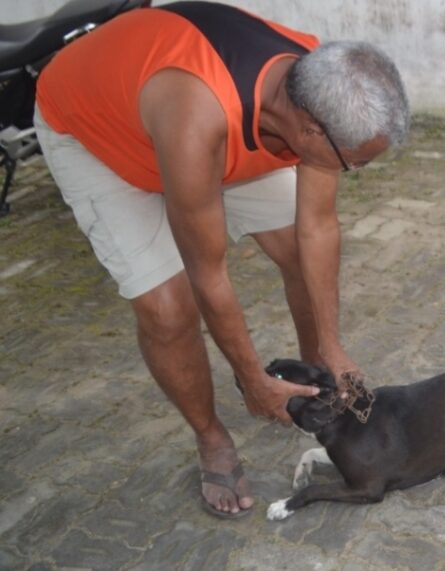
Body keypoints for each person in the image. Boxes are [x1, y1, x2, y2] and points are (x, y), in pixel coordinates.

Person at [34, 2, 409, 518]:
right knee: (168, 310)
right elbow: (208, 271)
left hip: (200, 121)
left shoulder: (317, 82)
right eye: (358, 163)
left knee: (299, 254)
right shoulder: (196, 115)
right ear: (312, 133)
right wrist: (252, 378)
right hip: (100, 135)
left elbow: (317, 228)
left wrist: (331, 345)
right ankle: (211, 437)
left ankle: (313, 380)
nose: (357, 171)